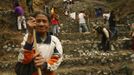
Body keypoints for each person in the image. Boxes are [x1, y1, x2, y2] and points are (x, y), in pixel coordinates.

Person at [15, 10, 63, 75]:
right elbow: (24, 59)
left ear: (49, 24)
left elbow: (57, 58)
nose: (41, 24)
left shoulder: (54, 40)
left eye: (44, 21)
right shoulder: (28, 37)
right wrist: (30, 34)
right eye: (38, 21)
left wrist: (45, 65)